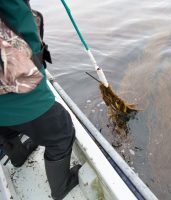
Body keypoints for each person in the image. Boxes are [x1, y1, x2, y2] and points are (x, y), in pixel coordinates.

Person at [0, 1, 81, 199]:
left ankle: (18, 156)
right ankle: (61, 187)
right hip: (17, 87)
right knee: (61, 129)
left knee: (6, 125)